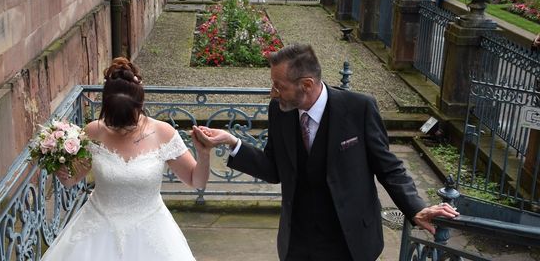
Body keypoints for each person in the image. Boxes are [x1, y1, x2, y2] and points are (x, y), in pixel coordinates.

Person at [194, 44, 458, 261]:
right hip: (297, 242)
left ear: (306, 85)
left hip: (350, 240)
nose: (273, 93)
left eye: (279, 86)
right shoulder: (280, 111)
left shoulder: (359, 108)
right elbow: (274, 168)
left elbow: (388, 167)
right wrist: (231, 142)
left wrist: (416, 208)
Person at [43, 57, 211, 260]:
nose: (121, 126)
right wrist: (58, 163)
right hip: (97, 229)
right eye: (115, 119)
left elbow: (197, 180)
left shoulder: (163, 133)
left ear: (140, 105)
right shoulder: (93, 132)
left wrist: (204, 154)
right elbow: (72, 180)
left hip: (152, 231)